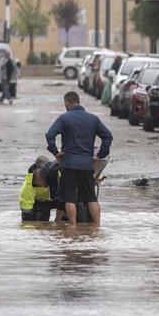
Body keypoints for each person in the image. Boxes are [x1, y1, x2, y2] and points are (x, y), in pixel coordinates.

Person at [45, 91, 112, 226]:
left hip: (69, 164)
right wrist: (99, 155)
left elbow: (50, 135)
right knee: (91, 198)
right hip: (87, 165)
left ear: (67, 103)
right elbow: (108, 136)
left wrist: (55, 152)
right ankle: (97, 227)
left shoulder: (64, 118)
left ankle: (73, 227)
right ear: (78, 101)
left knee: (69, 198)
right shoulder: (93, 119)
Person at [20, 156, 55, 222]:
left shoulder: (54, 176)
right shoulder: (28, 185)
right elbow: (26, 206)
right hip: (37, 202)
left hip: (49, 201)